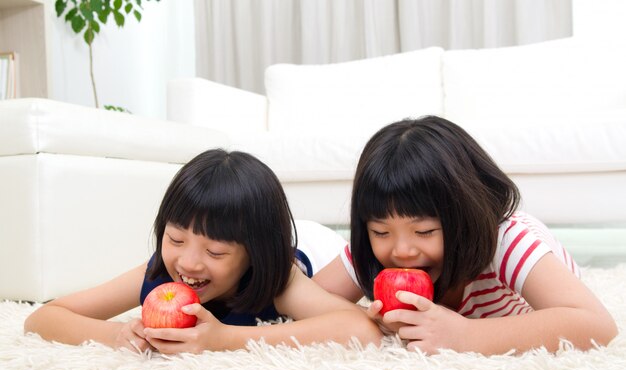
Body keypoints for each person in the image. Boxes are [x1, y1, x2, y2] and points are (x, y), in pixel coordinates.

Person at [25, 149, 382, 354]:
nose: (189, 263)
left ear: (253, 255)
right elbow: (41, 318)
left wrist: (224, 340)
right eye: (176, 240)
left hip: (313, 243)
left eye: (215, 252)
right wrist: (116, 335)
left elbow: (363, 330)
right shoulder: (160, 275)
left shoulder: (278, 279)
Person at [313, 116, 617, 355]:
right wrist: (367, 318)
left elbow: (597, 326)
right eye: (381, 231)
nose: (402, 250)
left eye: (424, 231)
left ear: (464, 216)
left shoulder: (507, 241)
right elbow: (310, 298)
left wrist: (465, 336)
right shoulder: (375, 248)